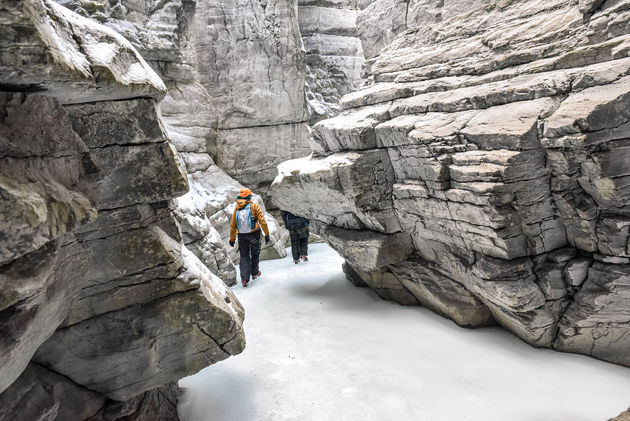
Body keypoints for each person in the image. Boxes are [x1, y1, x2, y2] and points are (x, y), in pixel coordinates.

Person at [229, 188, 270, 287]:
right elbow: (262, 221)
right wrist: (267, 234)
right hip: (253, 234)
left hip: (241, 235)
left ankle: (244, 279)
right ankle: (255, 273)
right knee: (255, 254)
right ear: (249, 196)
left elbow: (233, 225)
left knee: (244, 256)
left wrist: (232, 239)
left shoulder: (237, 208)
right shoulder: (254, 206)